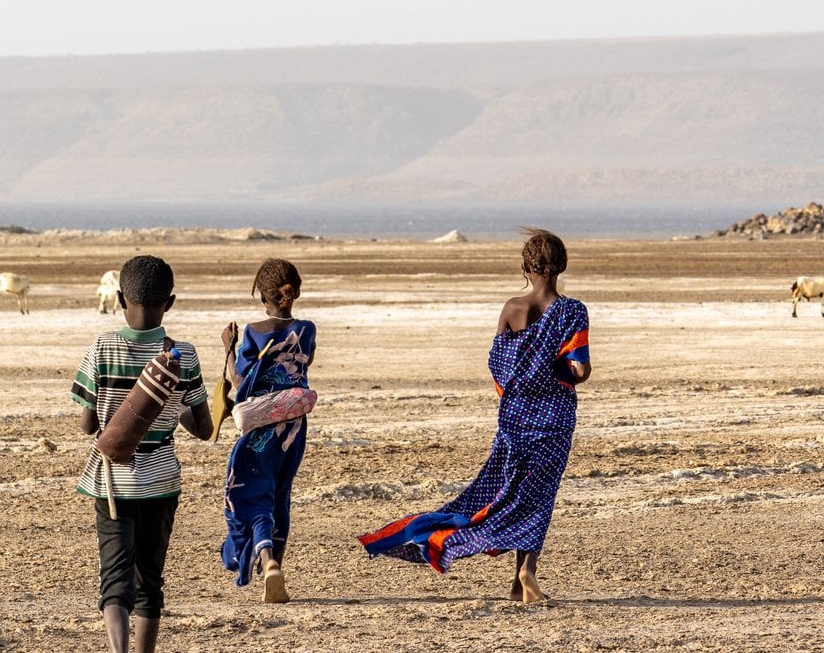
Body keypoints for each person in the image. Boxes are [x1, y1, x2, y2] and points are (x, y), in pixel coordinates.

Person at [359, 228, 591, 602]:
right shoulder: (572, 311)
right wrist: (554, 375)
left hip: (514, 419)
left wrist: (525, 381)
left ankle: (517, 585)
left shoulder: (511, 309)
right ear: (561, 267)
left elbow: (498, 367)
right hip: (554, 420)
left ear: (525, 268)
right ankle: (527, 570)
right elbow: (580, 370)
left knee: (499, 494)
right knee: (538, 496)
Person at [71, 255, 212, 653]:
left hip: (110, 482)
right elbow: (203, 426)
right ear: (169, 303)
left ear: (116, 299)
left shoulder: (102, 347)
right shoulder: (183, 353)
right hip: (160, 482)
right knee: (149, 585)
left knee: (115, 583)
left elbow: (89, 422)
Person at [220, 258, 316, 603]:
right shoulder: (307, 330)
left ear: (262, 294)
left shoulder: (251, 332)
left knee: (251, 496)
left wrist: (229, 349)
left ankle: (268, 560)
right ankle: (277, 567)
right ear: (295, 292)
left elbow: (240, 381)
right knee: (279, 493)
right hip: (293, 430)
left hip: (259, 433)